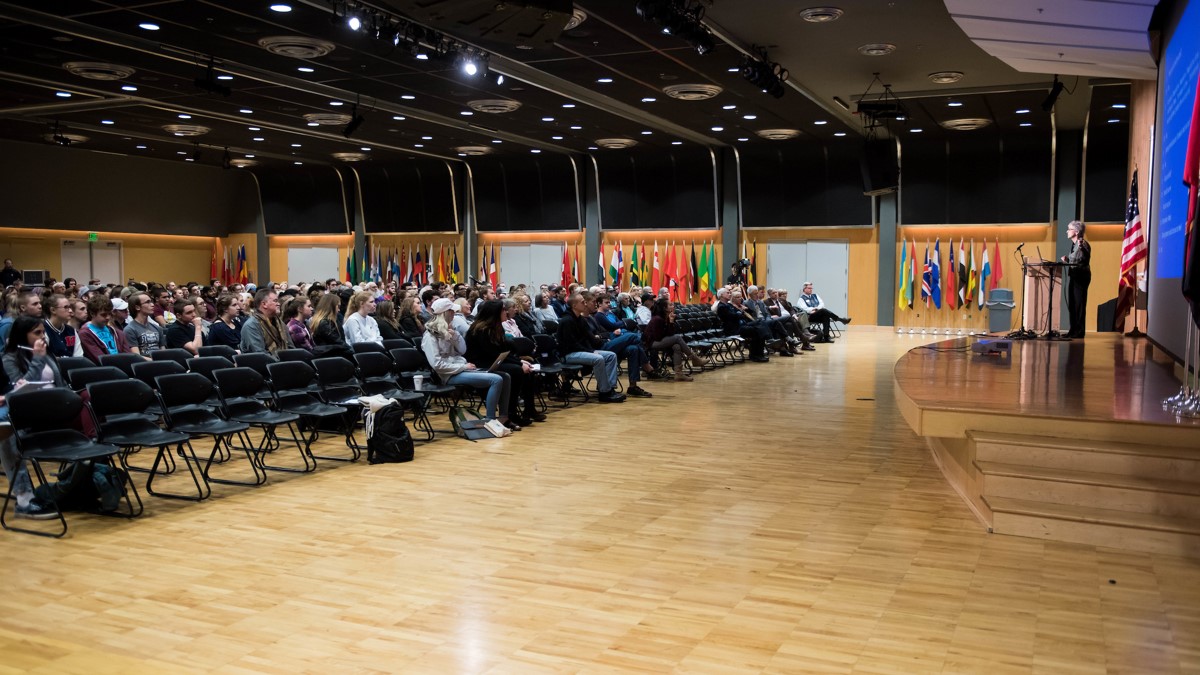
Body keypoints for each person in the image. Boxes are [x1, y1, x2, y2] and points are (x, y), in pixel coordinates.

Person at [1, 317, 65, 519]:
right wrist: (37, 359)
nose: (42, 337)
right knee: (8, 435)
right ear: (23, 336)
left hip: (53, 409)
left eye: (43, 332)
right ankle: (24, 499)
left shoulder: (47, 353)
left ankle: (74, 487)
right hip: (26, 411)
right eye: (36, 333)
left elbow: (59, 382)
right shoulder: (10, 358)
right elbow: (18, 391)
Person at [421, 298, 510, 423]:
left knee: (505, 376)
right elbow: (437, 365)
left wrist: (455, 337)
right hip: (448, 375)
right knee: (495, 379)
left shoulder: (449, 330)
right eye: (452, 311)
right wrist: (463, 367)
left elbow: (463, 350)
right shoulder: (430, 336)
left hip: (460, 368)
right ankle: (491, 419)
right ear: (445, 313)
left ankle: (504, 416)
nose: (454, 314)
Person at [466, 300, 544, 429]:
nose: (506, 312)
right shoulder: (481, 329)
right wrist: (518, 363)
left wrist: (520, 361)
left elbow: (503, 351)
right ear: (495, 313)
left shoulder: (496, 327)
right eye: (503, 310)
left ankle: (529, 409)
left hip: (495, 360)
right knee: (516, 370)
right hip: (482, 363)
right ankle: (510, 413)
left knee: (528, 369)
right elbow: (492, 353)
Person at [557, 293, 626, 403]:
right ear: (574, 305)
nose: (585, 304)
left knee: (611, 355)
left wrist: (595, 346)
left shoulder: (580, 319)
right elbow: (571, 345)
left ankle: (610, 388)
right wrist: (591, 352)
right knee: (598, 359)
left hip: (581, 351)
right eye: (582, 302)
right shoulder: (567, 321)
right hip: (568, 354)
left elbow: (589, 338)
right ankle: (604, 393)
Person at [643, 299, 705, 381]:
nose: (673, 306)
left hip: (660, 341)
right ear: (665, 308)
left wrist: (671, 321)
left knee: (677, 346)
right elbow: (658, 337)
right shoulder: (657, 319)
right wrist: (669, 327)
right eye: (670, 305)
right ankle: (694, 358)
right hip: (652, 343)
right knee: (677, 337)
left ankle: (678, 374)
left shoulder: (667, 317)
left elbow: (670, 333)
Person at [78, 295, 133, 363]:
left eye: (109, 314)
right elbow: (100, 359)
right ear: (92, 314)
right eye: (103, 315)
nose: (108, 317)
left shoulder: (117, 333)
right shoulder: (85, 334)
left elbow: (128, 356)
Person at [1062, 220, 1091, 339]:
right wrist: (1068, 260)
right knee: (1073, 304)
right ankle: (1073, 330)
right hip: (1074, 276)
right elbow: (1077, 260)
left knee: (1079, 305)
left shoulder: (1082, 244)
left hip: (1081, 277)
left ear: (1077, 231)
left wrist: (1080, 247)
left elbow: (1085, 255)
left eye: (1069, 229)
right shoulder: (1074, 245)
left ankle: (1079, 331)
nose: (1067, 231)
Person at [240, 288, 292, 355]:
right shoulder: (251, 325)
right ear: (264, 304)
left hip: (283, 362)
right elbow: (260, 355)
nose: (278, 304)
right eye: (275, 301)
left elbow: (290, 347)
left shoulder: (279, 322)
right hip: (264, 364)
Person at [43, 294, 83, 358]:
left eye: (69, 307)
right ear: (53, 310)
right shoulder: (42, 330)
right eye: (66, 307)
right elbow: (46, 359)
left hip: (73, 367)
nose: (70, 311)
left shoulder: (71, 330)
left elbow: (79, 357)